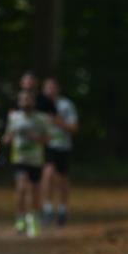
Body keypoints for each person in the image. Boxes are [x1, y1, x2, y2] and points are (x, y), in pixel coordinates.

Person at [2, 87, 51, 237]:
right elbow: (6, 138)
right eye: (22, 99)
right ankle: (20, 219)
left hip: (36, 160)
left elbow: (48, 139)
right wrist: (10, 137)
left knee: (35, 191)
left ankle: (33, 219)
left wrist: (34, 137)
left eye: (28, 99)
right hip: (19, 159)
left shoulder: (41, 119)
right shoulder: (14, 117)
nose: (25, 102)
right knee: (21, 188)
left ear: (33, 101)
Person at [40, 77, 79, 226]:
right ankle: (47, 208)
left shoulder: (66, 105)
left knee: (62, 180)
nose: (49, 91)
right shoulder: (40, 105)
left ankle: (63, 209)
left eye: (52, 87)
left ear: (57, 89)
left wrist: (57, 121)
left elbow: (74, 128)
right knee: (48, 173)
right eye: (47, 88)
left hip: (63, 146)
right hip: (46, 145)